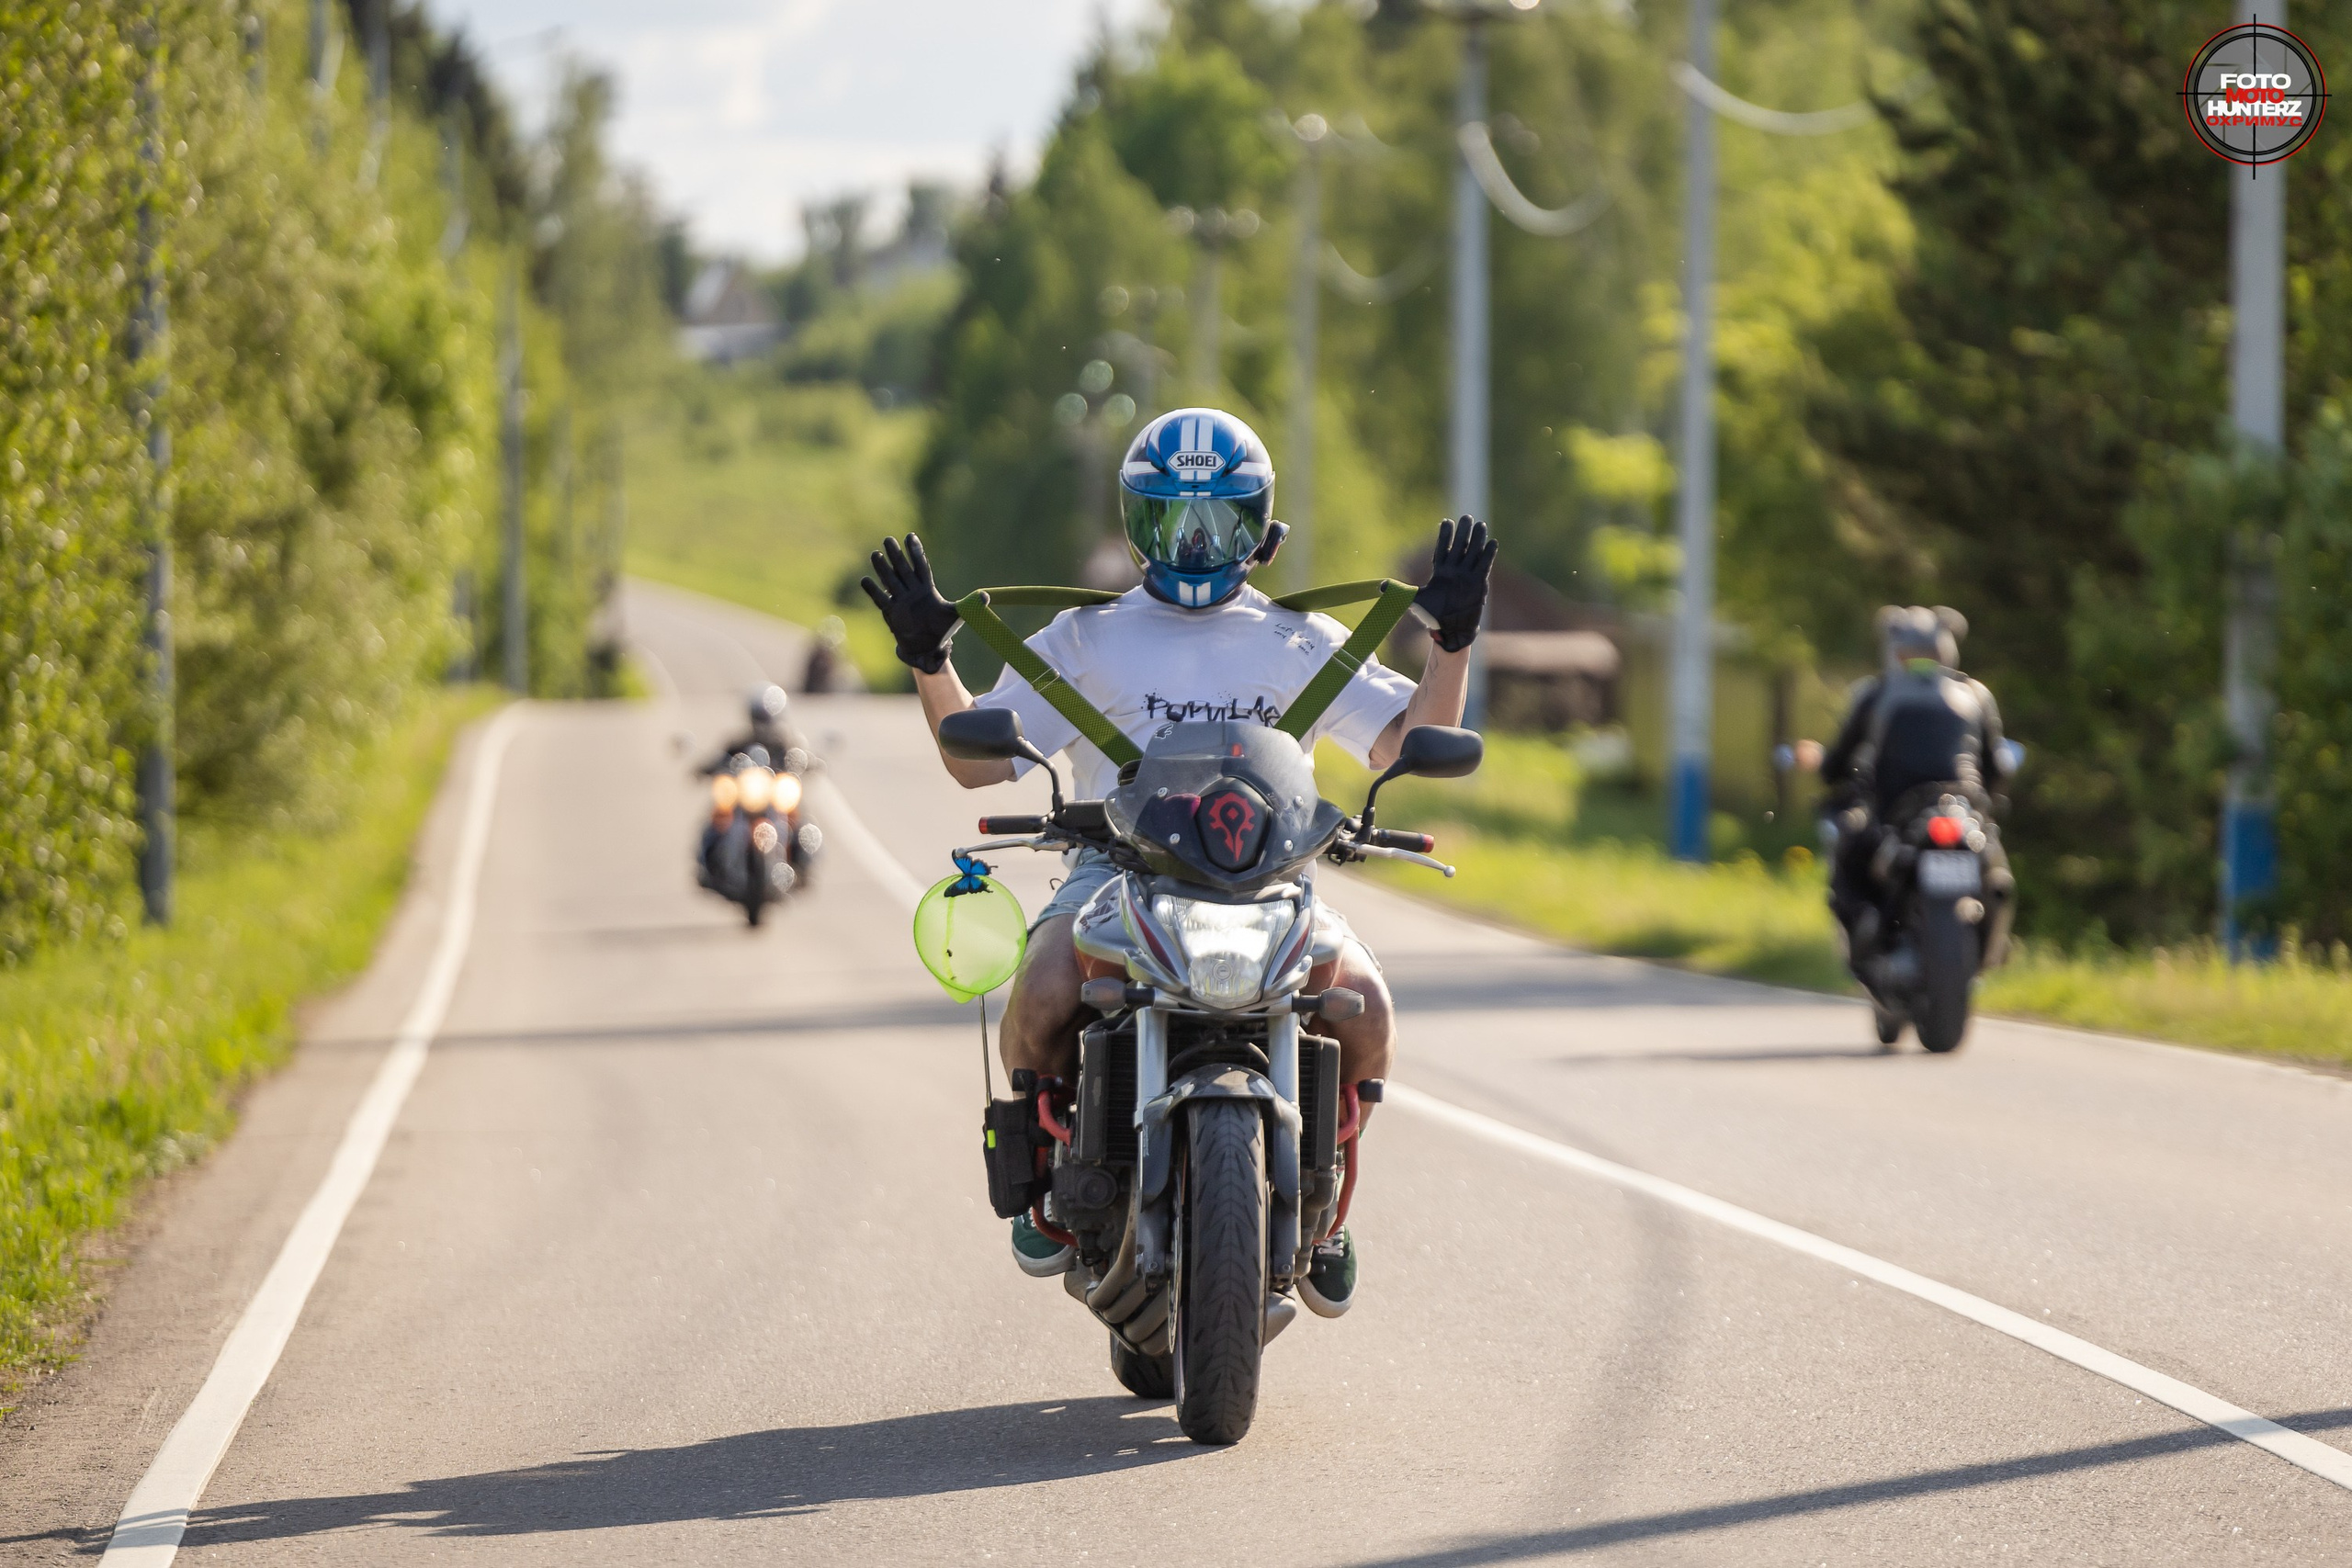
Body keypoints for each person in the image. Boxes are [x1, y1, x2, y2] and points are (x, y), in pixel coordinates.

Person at [861, 407, 1495, 1315]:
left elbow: (1408, 743)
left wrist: (1452, 643)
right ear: (1136, 524)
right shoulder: (1085, 640)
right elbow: (977, 761)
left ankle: (1326, 1208)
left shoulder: (1297, 639)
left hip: (1272, 881)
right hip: (1112, 876)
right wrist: (931, 660)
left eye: (1220, 519)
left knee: (1368, 1009)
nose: (1196, 543)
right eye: (1172, 519)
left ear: (1259, 529)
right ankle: (1047, 1177)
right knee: (1041, 991)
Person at [1818, 605, 2011, 962]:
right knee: (1996, 868)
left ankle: (1865, 937)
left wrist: (1833, 775)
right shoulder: (1976, 695)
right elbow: (1997, 766)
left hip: (1894, 813)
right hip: (1962, 806)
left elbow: (1836, 764)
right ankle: (1995, 948)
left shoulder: (1875, 693)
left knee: (1847, 854)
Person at [697, 686, 801, 886]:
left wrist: (809, 763)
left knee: (799, 822)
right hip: (744, 800)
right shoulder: (737, 744)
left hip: (772, 800)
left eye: (767, 717)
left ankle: (800, 862)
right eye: (760, 717)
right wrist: (705, 769)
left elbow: (801, 758)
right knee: (715, 821)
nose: (764, 723)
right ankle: (709, 865)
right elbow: (718, 760)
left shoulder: (784, 744)